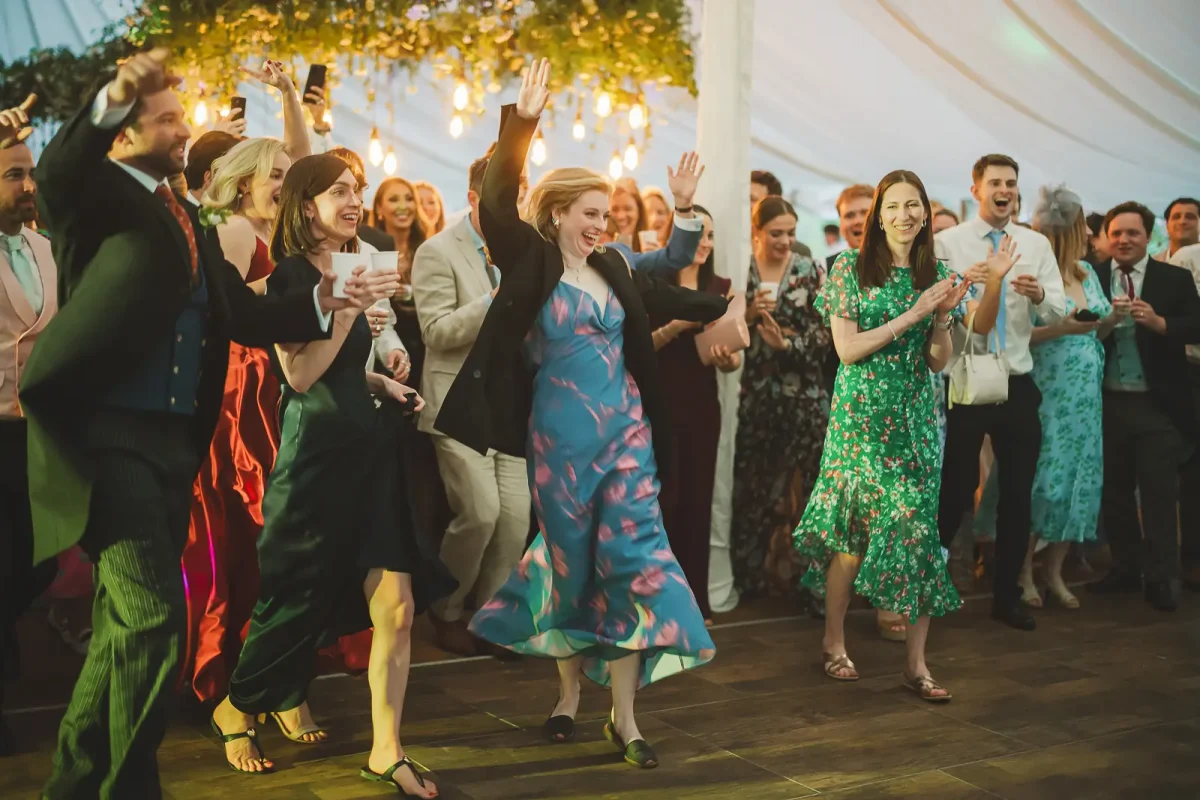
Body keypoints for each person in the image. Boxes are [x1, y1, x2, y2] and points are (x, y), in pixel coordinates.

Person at [19, 49, 396, 799]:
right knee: (154, 618)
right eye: (164, 119)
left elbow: (244, 314)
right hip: (108, 439)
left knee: (130, 627)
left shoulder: (184, 212)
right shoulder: (99, 201)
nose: (183, 128)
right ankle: (127, 788)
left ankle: (80, 782)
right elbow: (58, 176)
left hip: (172, 443)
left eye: (178, 115)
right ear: (123, 135)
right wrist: (108, 100)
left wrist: (330, 303)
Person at [437, 59, 726, 769]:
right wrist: (523, 126)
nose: (602, 225)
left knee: (631, 562)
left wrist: (683, 208)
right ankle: (567, 696)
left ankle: (625, 719)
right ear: (560, 213)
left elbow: (670, 263)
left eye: (607, 215)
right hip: (560, 441)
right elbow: (499, 203)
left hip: (627, 434)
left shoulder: (617, 268)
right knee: (571, 568)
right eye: (590, 214)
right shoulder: (531, 262)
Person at [209, 155, 453, 797]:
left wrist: (384, 381)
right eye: (339, 190)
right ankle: (238, 706)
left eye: (358, 190)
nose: (354, 200)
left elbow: (347, 366)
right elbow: (300, 377)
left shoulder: (363, 260)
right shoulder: (290, 276)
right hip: (314, 456)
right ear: (305, 204)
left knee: (395, 610)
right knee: (291, 604)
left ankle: (386, 751)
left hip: (373, 450)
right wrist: (347, 305)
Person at [794, 170, 969, 700]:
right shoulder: (849, 267)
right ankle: (833, 642)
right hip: (860, 422)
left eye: (913, 205)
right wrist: (912, 312)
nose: (904, 215)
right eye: (893, 206)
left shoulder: (938, 272)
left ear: (925, 214)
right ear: (878, 213)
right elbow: (845, 350)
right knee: (851, 541)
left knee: (918, 535)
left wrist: (939, 319)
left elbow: (939, 361)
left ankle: (916, 664)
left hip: (915, 421)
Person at [936, 153, 1066, 632]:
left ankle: (1007, 594)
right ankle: (926, 587)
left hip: (1016, 383)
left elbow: (1058, 309)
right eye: (995, 182)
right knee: (953, 490)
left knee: (1017, 494)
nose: (1005, 190)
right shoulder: (948, 243)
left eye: (1012, 183)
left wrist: (1039, 298)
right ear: (976, 190)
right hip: (964, 379)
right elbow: (939, 309)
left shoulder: (1034, 244)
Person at [412, 153, 531, 659]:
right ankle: (445, 608)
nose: (514, 208)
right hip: (457, 402)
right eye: (504, 198)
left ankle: (492, 616)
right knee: (480, 513)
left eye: (519, 197)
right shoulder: (437, 251)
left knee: (515, 519)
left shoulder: (529, 250)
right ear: (474, 197)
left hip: (508, 404)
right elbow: (435, 332)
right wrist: (495, 300)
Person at [1087, 202, 1200, 612]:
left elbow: (1195, 323)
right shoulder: (1093, 277)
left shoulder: (1174, 277)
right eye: (1116, 233)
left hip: (1157, 405)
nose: (1123, 240)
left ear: (1148, 237)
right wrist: (1105, 324)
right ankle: (1124, 568)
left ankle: (1163, 577)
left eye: (1132, 233)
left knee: (1157, 493)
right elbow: (1078, 331)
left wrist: (1160, 324)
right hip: (1106, 402)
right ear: (1106, 237)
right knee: (1113, 492)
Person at [731, 197, 831, 599]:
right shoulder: (740, 272)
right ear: (757, 233)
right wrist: (751, 315)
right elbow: (720, 326)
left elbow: (827, 336)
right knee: (754, 492)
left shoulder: (809, 272)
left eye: (791, 232)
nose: (786, 240)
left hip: (805, 398)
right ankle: (747, 582)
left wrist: (787, 344)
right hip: (756, 397)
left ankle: (814, 588)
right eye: (777, 233)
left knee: (811, 495)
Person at [650, 205, 740, 622]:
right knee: (661, 502)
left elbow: (734, 354)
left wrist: (727, 360)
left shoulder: (720, 286)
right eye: (697, 234)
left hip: (703, 402)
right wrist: (677, 326)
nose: (704, 243)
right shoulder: (653, 281)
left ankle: (693, 602)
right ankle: (654, 599)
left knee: (698, 500)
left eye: (710, 236)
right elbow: (637, 347)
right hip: (656, 401)